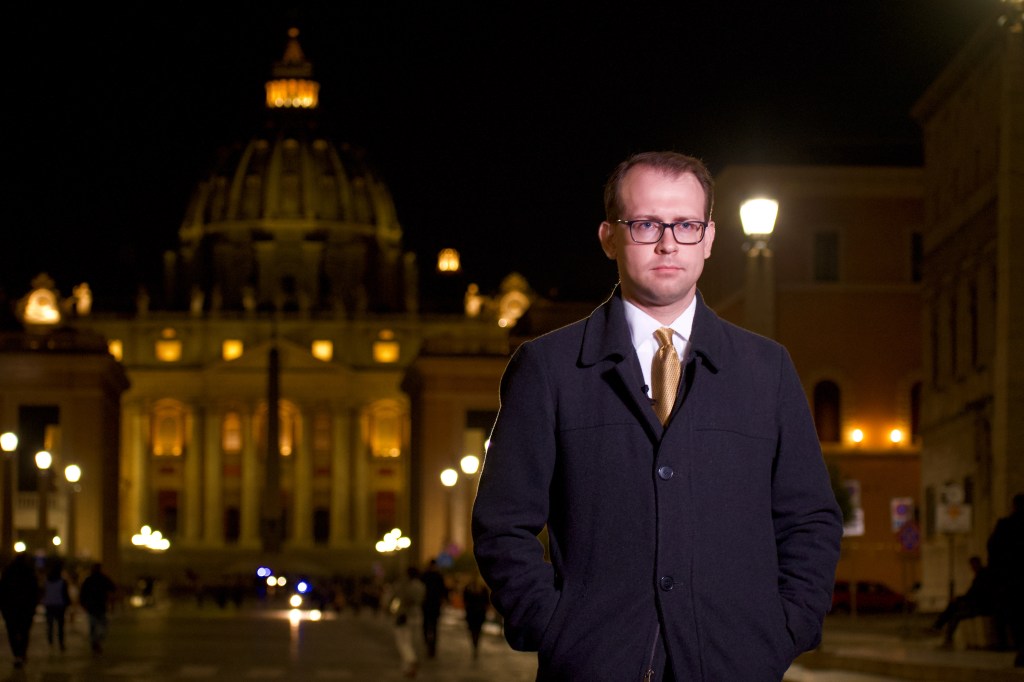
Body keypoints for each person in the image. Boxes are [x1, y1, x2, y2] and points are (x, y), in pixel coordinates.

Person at [472, 151, 844, 681]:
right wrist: (554, 628)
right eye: (646, 224)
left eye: (686, 225)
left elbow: (810, 519)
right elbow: (503, 523)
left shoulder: (768, 369)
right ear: (609, 237)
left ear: (708, 238)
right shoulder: (547, 368)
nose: (668, 243)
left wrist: (785, 629)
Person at [987, 492, 1024, 666]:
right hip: (1013, 578)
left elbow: (993, 549)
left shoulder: (1006, 526)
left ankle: (1019, 649)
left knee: (1015, 617)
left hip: (1010, 579)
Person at [932, 555, 995, 647]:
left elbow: (975, 594)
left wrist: (960, 599)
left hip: (982, 606)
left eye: (973, 565)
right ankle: (939, 625)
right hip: (977, 603)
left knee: (955, 613)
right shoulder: (980, 576)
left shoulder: (982, 576)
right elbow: (972, 594)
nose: (972, 568)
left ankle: (940, 627)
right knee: (954, 606)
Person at [0, 553, 40, 668]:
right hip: (25, 608)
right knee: (24, 631)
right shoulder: (29, 572)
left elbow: (2, 590)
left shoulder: (8, 572)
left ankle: (17, 655)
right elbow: (34, 591)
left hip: (10, 608)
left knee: (12, 632)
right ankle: (21, 653)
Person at [391, 566, 426, 678]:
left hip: (404, 615)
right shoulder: (421, 586)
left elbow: (397, 597)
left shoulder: (405, 585)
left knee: (402, 641)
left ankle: (411, 661)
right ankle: (407, 669)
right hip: (417, 615)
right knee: (411, 642)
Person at [78, 562, 117, 654]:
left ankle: (94, 641)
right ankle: (96, 641)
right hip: (100, 606)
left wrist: (83, 603)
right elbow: (113, 587)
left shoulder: (89, 580)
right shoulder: (102, 579)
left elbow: (82, 593)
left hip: (92, 606)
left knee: (94, 626)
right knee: (102, 625)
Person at [419, 558, 448, 658]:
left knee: (427, 625)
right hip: (433, 604)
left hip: (428, 604)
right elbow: (443, 590)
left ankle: (429, 643)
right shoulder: (437, 576)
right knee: (433, 626)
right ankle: (431, 646)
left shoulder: (425, 575)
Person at [41, 561, 72, 651]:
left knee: (50, 625)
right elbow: (65, 594)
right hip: (59, 605)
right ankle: (61, 642)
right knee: (60, 626)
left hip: (49, 605)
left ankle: (50, 640)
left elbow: (44, 592)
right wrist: (68, 603)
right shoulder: (62, 582)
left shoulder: (47, 581)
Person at [462, 574, 490, 659]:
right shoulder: (469, 588)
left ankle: (475, 645)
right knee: (474, 631)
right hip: (474, 613)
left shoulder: (481, 589)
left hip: (477, 613)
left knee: (476, 631)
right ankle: (475, 644)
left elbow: (486, 601)